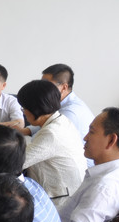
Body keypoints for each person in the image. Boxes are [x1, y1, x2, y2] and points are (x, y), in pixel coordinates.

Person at [17, 80, 87, 209]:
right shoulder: (60, 119)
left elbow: (16, 163)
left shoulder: (52, 133)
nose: (24, 113)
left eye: (24, 108)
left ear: (35, 109)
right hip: (67, 191)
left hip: (60, 203)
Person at [18, 64, 94, 139]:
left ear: (64, 87)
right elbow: (46, 122)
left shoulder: (69, 113)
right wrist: (25, 131)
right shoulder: (57, 103)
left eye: (47, 85)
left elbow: (43, 139)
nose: (41, 89)